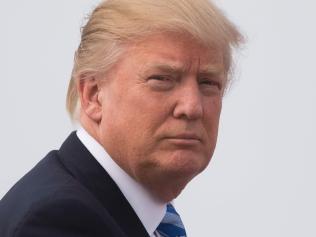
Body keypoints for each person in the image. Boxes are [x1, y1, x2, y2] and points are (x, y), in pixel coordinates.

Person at [0, 0, 243, 236]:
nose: (192, 107)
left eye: (209, 83)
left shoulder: (130, 212)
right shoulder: (57, 220)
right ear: (94, 95)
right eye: (161, 79)